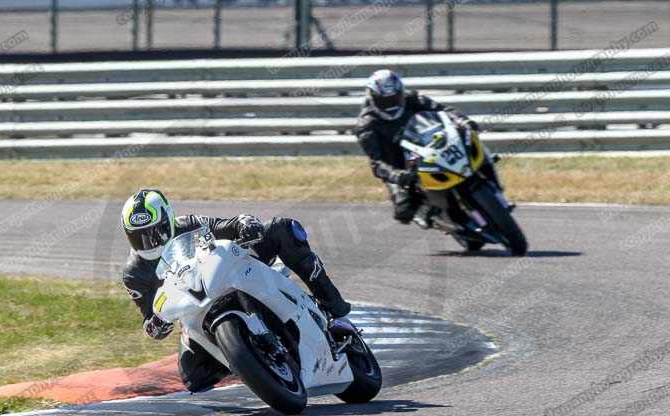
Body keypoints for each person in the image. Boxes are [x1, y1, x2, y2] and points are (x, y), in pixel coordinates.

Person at [121, 189, 351, 392]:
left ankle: (331, 306)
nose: (148, 242)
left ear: (168, 220)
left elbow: (227, 226)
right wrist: (156, 325)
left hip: (227, 273)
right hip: (196, 309)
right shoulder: (134, 274)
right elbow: (150, 317)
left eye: (154, 232)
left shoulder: (188, 224)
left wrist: (245, 224)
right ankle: (251, 361)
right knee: (193, 377)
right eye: (138, 236)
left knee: (282, 228)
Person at [354, 68, 479, 225]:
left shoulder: (413, 99)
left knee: (468, 140)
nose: (391, 104)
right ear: (372, 99)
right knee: (404, 211)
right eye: (385, 101)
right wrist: (396, 175)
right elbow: (376, 163)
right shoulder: (366, 126)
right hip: (399, 165)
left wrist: (462, 120)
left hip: (431, 146)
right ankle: (434, 215)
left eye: (395, 98)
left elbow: (442, 110)